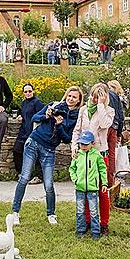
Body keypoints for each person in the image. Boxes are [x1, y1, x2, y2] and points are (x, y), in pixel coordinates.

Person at [11, 85, 83, 226]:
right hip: (34, 142)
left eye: (74, 97)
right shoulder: (54, 105)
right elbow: (34, 118)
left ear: (79, 100)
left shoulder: (76, 117)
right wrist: (47, 115)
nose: (70, 98)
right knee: (25, 177)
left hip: (49, 150)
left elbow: (67, 138)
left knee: (49, 184)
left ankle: (51, 214)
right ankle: (15, 212)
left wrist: (60, 125)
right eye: (69, 95)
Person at [72, 83, 115, 235]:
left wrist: (101, 106)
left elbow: (104, 124)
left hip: (100, 154)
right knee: (86, 189)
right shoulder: (83, 110)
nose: (95, 99)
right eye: (94, 96)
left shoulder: (109, 111)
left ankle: (103, 223)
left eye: (99, 97)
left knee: (102, 192)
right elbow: (77, 130)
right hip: (84, 155)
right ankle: (89, 220)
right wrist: (74, 146)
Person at [69, 130, 107, 240]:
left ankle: (96, 232)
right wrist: (75, 180)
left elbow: (102, 169)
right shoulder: (77, 155)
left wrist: (104, 183)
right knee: (80, 210)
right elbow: (72, 169)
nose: (83, 146)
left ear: (92, 144)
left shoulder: (97, 155)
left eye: (86, 144)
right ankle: (80, 230)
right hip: (79, 188)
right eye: (81, 144)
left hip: (92, 189)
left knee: (94, 211)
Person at [13, 83, 44, 180]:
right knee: (17, 150)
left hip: (34, 132)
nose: (28, 93)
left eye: (30, 91)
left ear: (33, 91)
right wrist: (20, 115)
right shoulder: (24, 103)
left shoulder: (38, 102)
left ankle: (39, 176)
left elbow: (41, 116)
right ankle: (22, 174)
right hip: (24, 132)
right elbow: (24, 113)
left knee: (37, 153)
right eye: (25, 92)